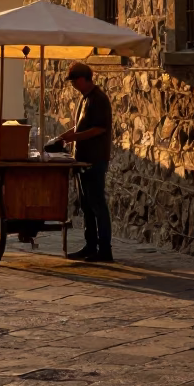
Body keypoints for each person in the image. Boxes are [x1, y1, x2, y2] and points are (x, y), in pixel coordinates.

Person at [51, 62, 113, 262]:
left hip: (95, 160)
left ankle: (104, 249)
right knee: (87, 205)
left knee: (97, 205)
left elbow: (99, 129)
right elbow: (78, 128)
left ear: (82, 79)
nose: (73, 86)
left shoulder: (99, 100)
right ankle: (90, 245)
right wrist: (61, 138)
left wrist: (73, 139)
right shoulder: (85, 99)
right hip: (83, 160)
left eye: (74, 82)